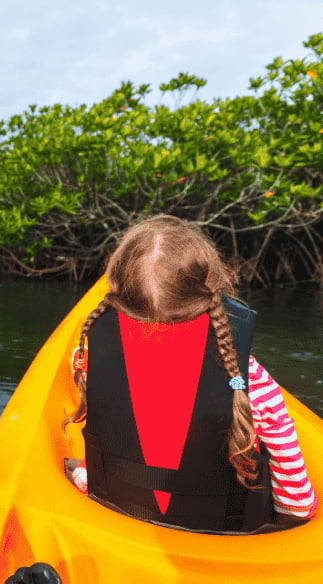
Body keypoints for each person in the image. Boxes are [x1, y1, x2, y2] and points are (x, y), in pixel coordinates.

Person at [63, 215, 317, 534]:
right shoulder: (250, 379)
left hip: (120, 510)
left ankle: (82, 476)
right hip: (224, 532)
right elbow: (298, 507)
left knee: (86, 470)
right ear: (212, 287)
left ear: (119, 294)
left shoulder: (88, 359)